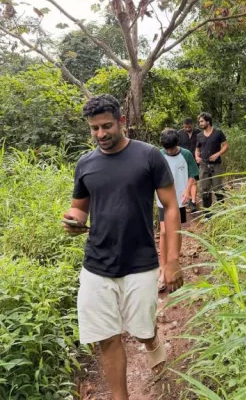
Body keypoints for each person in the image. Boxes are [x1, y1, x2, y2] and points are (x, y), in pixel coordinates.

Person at [63, 95, 184, 400]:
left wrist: (172, 261)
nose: (101, 134)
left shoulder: (148, 156)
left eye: (106, 126)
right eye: (94, 129)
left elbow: (170, 206)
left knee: (142, 329)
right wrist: (72, 221)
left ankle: (151, 339)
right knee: (107, 337)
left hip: (140, 261)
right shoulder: (85, 164)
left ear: (122, 121)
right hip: (96, 264)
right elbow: (79, 208)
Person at [156, 128, 199, 292]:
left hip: (179, 201)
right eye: (167, 149)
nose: (170, 151)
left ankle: (174, 264)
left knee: (176, 231)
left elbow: (192, 175)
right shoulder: (159, 155)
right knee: (164, 231)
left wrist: (188, 190)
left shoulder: (186, 154)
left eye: (172, 148)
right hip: (163, 200)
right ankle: (163, 269)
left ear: (177, 144)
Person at [194, 112, 229, 214]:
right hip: (204, 165)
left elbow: (226, 146)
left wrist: (217, 154)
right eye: (199, 121)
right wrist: (197, 156)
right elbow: (197, 149)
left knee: (218, 187)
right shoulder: (199, 135)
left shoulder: (218, 133)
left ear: (208, 121)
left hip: (216, 165)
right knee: (204, 189)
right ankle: (207, 213)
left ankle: (222, 209)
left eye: (202, 121)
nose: (200, 123)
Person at [177, 118, 199, 213]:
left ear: (192, 125)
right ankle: (188, 199)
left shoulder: (198, 132)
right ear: (183, 126)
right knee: (186, 181)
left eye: (189, 127)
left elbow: (200, 145)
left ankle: (193, 201)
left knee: (193, 180)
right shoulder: (179, 134)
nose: (187, 128)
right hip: (182, 160)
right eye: (185, 127)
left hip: (195, 160)